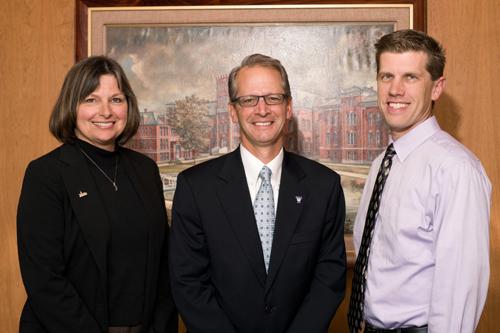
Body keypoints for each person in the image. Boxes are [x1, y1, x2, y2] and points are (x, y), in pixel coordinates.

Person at [169, 54, 346, 333]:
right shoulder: (196, 187)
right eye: (249, 100)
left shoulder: (324, 186)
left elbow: (329, 278)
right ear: (232, 111)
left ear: (288, 107)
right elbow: (188, 282)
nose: (262, 109)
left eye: (273, 98)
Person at [17, 56, 178, 333]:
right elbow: (44, 278)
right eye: (91, 100)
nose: (105, 111)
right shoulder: (46, 174)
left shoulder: (145, 170)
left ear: (128, 105)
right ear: (72, 106)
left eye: (116, 99)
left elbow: (164, 265)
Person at [347, 29, 492, 333]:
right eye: (387, 76)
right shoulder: (381, 164)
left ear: (437, 88)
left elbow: (459, 287)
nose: (395, 90)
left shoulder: (455, 169)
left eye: (410, 77)